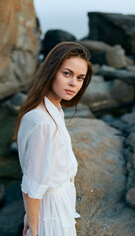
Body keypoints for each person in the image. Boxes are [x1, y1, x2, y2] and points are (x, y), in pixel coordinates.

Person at [13, 41, 92, 236]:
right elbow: (32, 185)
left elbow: (33, 173)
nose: (74, 83)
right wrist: (34, 229)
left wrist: (28, 216)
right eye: (67, 73)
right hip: (52, 214)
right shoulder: (43, 122)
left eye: (80, 77)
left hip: (58, 206)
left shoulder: (52, 109)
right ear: (51, 71)